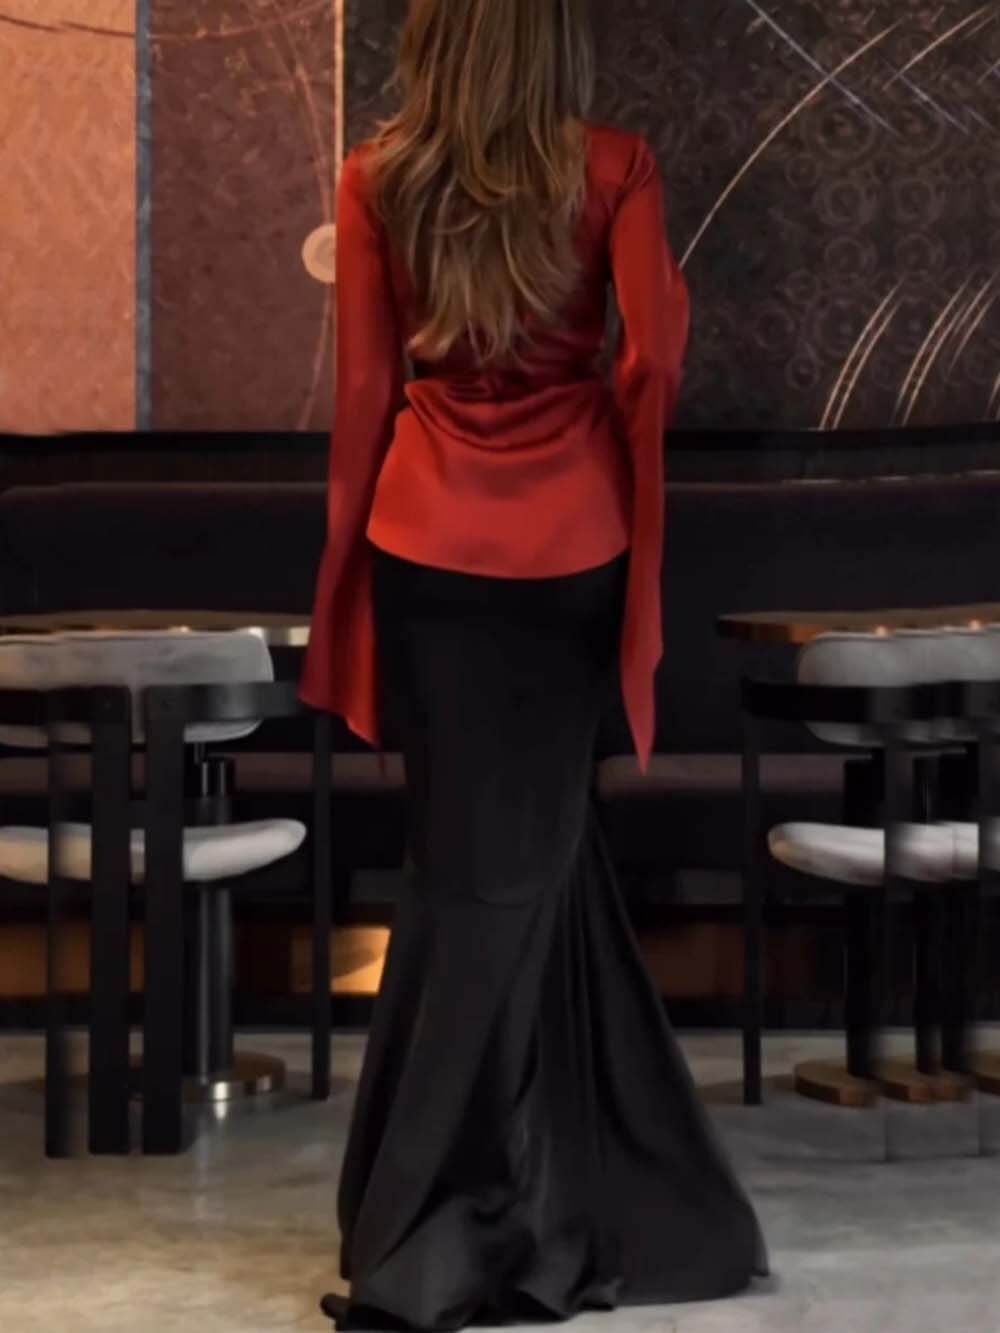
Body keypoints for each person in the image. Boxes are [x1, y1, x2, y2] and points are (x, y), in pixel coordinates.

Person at [300, 0, 768, 1326]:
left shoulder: (377, 177)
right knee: (517, 866)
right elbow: (656, 359)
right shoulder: (613, 166)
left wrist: (342, 578)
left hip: (425, 543)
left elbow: (364, 395)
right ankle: (471, 1227)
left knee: (476, 865)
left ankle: (473, 1209)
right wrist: (613, 448)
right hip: (572, 545)